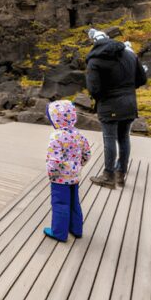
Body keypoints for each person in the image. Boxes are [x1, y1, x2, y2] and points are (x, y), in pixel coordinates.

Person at [85, 28, 147, 189]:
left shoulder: (95, 60)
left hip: (109, 104)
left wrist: (102, 98)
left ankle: (108, 176)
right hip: (129, 103)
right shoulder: (129, 54)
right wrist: (127, 90)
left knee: (109, 139)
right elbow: (142, 78)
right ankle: (121, 175)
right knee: (124, 137)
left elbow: (93, 88)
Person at [43, 100, 90, 242]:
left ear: (56, 119)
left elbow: (54, 160)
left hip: (59, 178)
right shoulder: (78, 135)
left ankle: (59, 233)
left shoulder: (56, 136)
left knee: (60, 204)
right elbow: (87, 154)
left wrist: (52, 175)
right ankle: (76, 229)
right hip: (74, 176)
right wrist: (78, 166)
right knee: (74, 202)